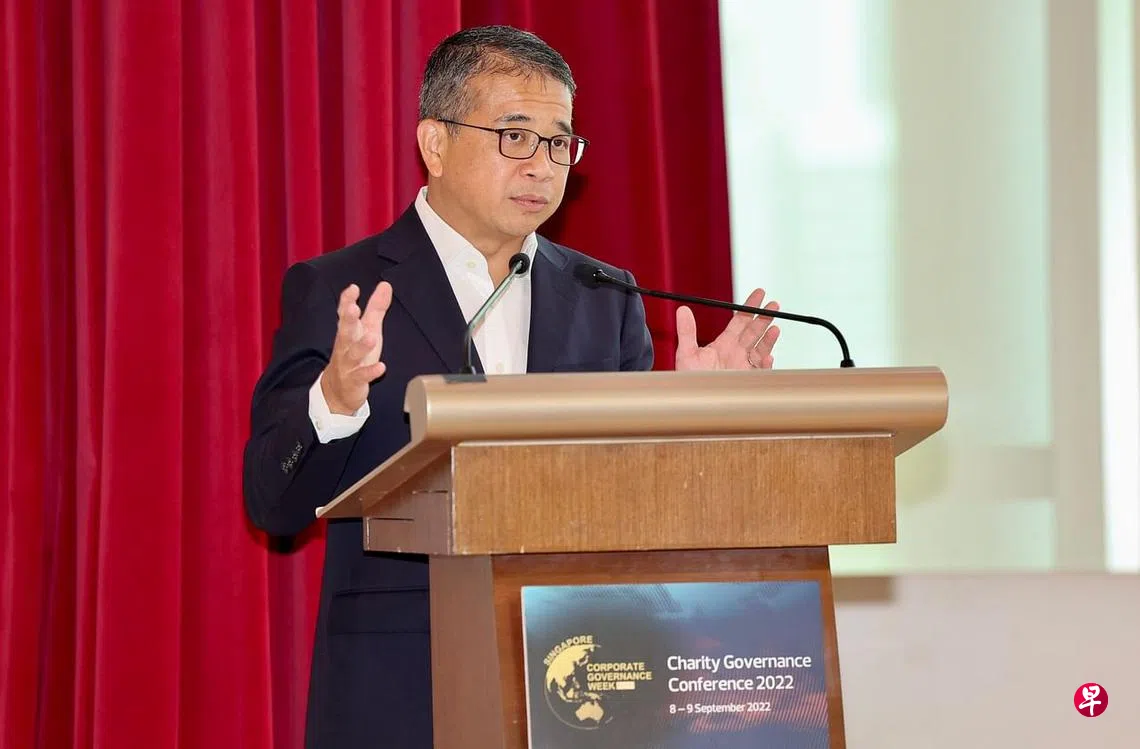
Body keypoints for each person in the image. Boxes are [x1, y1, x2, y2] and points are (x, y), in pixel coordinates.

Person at [242, 24, 780, 749]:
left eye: (559, 143)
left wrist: (691, 422)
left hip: (581, 681)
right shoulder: (342, 288)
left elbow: (638, 514)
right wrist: (333, 402)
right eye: (515, 136)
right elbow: (272, 502)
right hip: (403, 690)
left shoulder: (604, 295)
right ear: (435, 143)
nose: (542, 165)